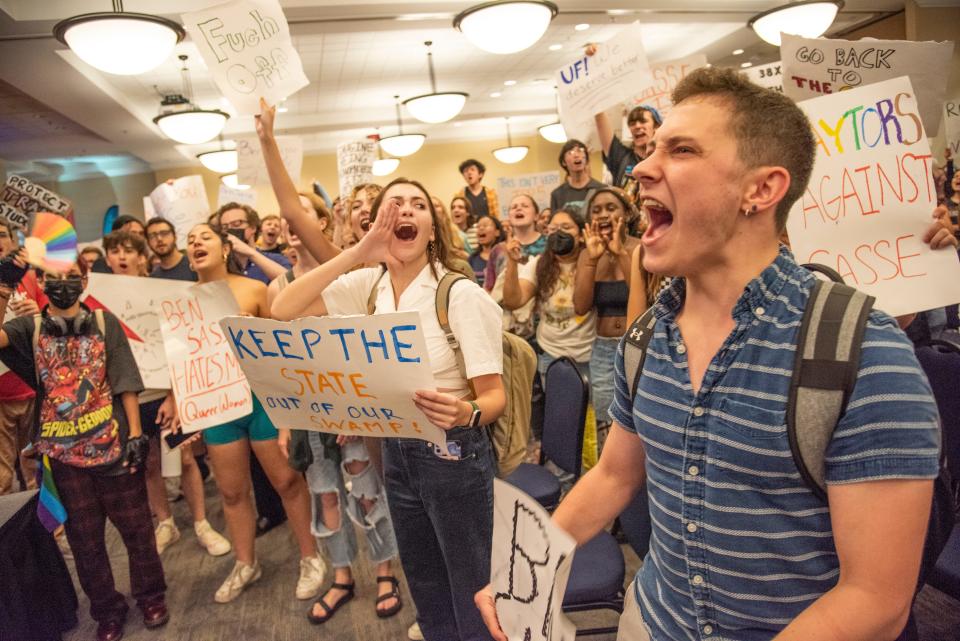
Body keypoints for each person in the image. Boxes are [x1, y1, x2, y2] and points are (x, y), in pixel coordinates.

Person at [477, 66, 950, 641]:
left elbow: (875, 599)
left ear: (761, 189)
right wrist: (521, 571)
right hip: (651, 620)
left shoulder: (864, 353)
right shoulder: (647, 337)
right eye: (652, 150)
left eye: (680, 150)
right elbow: (615, 474)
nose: (643, 168)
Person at [271, 166, 505, 641]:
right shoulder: (369, 286)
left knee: (473, 585)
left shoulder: (456, 294)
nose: (406, 211)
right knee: (425, 580)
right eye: (393, 206)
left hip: (454, 454)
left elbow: (494, 398)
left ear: (432, 230)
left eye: (417, 205)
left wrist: (467, 412)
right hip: (398, 452)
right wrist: (359, 252)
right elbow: (284, 308)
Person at [0, 255, 169, 641]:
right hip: (63, 457)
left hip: (113, 446)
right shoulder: (30, 327)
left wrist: (137, 435)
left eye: (71, 277)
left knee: (138, 530)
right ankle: (107, 610)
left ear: (85, 280)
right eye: (54, 278)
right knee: (85, 539)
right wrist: (4, 286)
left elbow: (125, 381)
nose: (63, 284)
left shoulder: (106, 323)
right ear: (40, 282)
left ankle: (151, 596)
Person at [265, 201, 404, 625]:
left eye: (299, 214)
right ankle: (341, 576)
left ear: (319, 223)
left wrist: (353, 411)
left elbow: (360, 345)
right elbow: (279, 357)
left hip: (353, 403)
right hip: (310, 412)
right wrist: (287, 418)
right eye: (287, 216)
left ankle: (385, 573)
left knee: (366, 489)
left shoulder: (349, 273)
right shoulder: (280, 286)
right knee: (324, 495)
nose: (289, 222)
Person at [185, 223, 325, 603]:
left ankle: (311, 557)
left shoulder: (253, 289)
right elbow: (181, 360)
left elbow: (281, 346)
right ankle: (246, 562)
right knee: (231, 491)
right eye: (191, 240)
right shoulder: (180, 300)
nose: (196, 243)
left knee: (286, 482)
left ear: (225, 248)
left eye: (205, 237)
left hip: (261, 399)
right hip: (217, 405)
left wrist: (289, 410)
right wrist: (182, 404)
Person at [141, 217, 229, 556]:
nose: (159, 239)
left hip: (178, 387)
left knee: (186, 457)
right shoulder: (148, 283)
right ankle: (165, 523)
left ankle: (202, 524)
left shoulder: (189, 278)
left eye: (165, 233)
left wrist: (174, 394)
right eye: (153, 235)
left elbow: (184, 341)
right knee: (151, 462)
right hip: (142, 390)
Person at [573, 187, 641, 440]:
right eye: (596, 210)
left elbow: (646, 303)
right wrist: (591, 260)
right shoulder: (587, 254)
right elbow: (580, 306)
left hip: (638, 347)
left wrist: (620, 254)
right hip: (602, 351)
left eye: (611, 208)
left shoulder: (639, 248)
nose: (603, 214)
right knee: (605, 420)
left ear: (626, 213)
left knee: (639, 417)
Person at [502, 208, 595, 381]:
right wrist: (512, 262)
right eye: (553, 229)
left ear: (582, 235)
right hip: (550, 355)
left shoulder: (592, 261)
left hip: (588, 355)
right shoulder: (539, 264)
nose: (559, 233)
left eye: (566, 227)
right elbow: (514, 300)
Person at [0, 221, 44, 494]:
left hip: (30, 386)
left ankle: (46, 528)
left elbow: (52, 320)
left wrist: (36, 312)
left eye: (2, 235)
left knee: (36, 467)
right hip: (0, 396)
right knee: (2, 477)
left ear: (12, 241)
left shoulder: (29, 277)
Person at [215, 202, 291, 284]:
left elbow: (290, 284)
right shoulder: (219, 264)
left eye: (237, 224)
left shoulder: (277, 260)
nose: (230, 229)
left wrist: (250, 253)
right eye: (225, 227)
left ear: (253, 227)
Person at [549, 139, 604, 214]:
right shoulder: (557, 194)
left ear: (586, 160)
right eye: (570, 153)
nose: (576, 155)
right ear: (564, 162)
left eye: (580, 151)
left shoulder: (601, 189)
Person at [146, 217, 196, 281]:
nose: (159, 239)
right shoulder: (153, 278)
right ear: (148, 243)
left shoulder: (194, 266)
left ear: (175, 236)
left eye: (164, 233)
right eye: (152, 236)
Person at [468, 216, 504, 288]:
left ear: (497, 232)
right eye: (478, 226)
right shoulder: (472, 258)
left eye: (485, 225)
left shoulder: (503, 256)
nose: (481, 228)